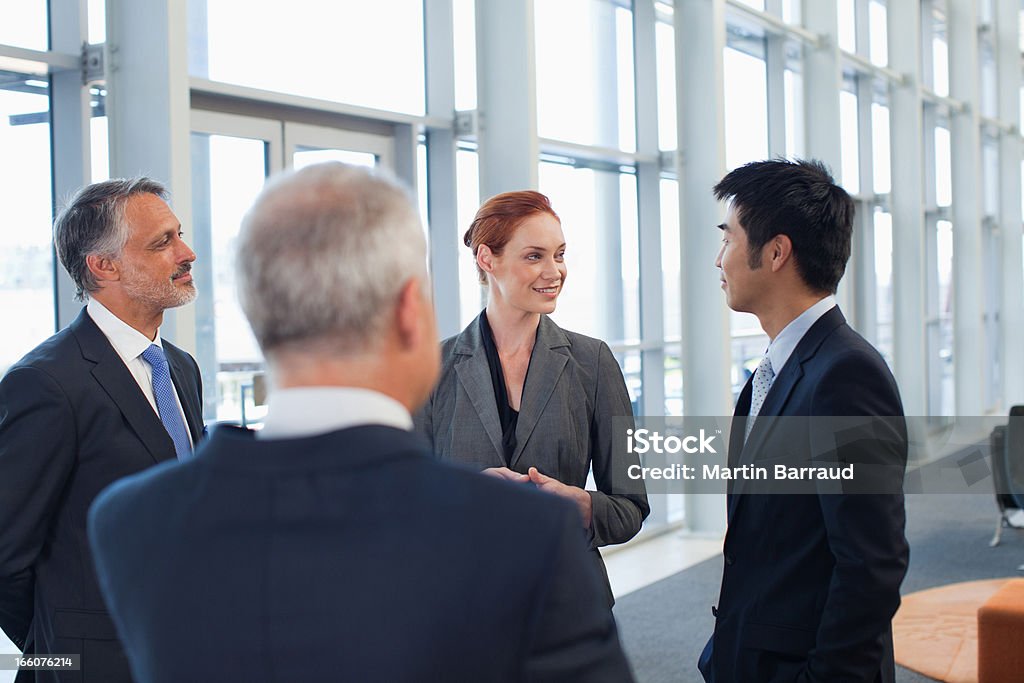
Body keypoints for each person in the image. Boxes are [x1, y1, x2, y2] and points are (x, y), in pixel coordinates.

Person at [87, 163, 634, 683]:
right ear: (407, 311)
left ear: (257, 311)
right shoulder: (530, 534)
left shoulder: (129, 523)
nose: (554, 270)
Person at [698, 159, 909, 683]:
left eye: (728, 239)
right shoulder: (777, 368)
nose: (718, 258)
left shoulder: (848, 376)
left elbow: (871, 565)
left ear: (775, 252)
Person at [0, 178, 204, 682]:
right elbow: (5, 556)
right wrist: (63, 644)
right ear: (103, 265)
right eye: (163, 242)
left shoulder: (181, 368)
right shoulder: (45, 383)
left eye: (179, 235)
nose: (188, 252)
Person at [414, 190, 650, 608]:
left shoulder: (592, 362)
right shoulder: (434, 368)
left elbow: (631, 506)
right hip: (462, 607)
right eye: (534, 256)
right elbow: (404, 501)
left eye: (559, 254)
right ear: (488, 259)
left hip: (567, 603)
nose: (554, 271)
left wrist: (584, 506)